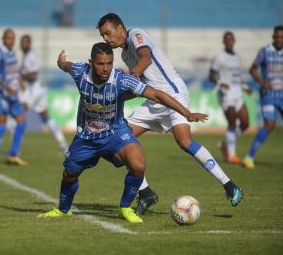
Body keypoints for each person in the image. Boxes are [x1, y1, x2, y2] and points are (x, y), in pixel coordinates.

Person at [37, 42, 208, 223]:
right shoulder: (80, 71)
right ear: (91, 62)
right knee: (69, 174)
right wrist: (61, 62)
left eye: (109, 63)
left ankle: (125, 208)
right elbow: (66, 66)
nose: (105, 68)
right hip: (86, 137)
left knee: (138, 164)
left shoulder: (122, 79)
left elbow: (157, 95)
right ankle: (64, 210)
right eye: (100, 64)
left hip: (115, 133)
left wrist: (186, 113)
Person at [97, 13, 244, 215]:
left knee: (184, 141)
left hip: (173, 92)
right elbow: (140, 86)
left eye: (107, 32)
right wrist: (116, 96)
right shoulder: (124, 55)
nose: (106, 38)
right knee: (116, 143)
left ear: (120, 27)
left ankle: (229, 185)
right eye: (102, 35)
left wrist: (132, 74)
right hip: (154, 100)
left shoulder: (136, 35)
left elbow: (145, 58)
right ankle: (146, 192)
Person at [18, 35, 68, 152]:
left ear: (29, 43)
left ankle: (15, 151)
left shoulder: (30, 56)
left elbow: (33, 76)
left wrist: (20, 75)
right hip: (38, 90)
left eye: (26, 42)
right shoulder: (26, 55)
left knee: (19, 116)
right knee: (45, 117)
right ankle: (63, 144)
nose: (23, 44)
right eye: (22, 42)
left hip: (33, 92)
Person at [243, 25, 283, 169]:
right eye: (277, 37)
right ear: (273, 37)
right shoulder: (265, 52)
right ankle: (249, 157)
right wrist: (262, 82)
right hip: (268, 95)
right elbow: (252, 69)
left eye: (282, 37)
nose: (279, 40)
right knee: (270, 124)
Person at [209, 31, 252, 164]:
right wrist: (220, 83)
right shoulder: (219, 57)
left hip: (238, 93)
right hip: (226, 94)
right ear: (223, 42)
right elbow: (211, 75)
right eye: (227, 40)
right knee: (232, 123)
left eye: (231, 40)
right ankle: (231, 155)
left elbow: (237, 76)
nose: (229, 42)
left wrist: (245, 86)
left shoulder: (237, 57)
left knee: (245, 123)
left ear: (234, 41)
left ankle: (225, 144)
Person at [0, 29, 28, 166]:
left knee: (22, 122)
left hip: (13, 94)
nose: (11, 41)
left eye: (13, 38)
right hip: (0, 95)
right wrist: (5, 86)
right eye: (9, 38)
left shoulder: (12, 53)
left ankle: (13, 155)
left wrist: (20, 81)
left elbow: (13, 71)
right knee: (2, 125)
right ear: (3, 39)